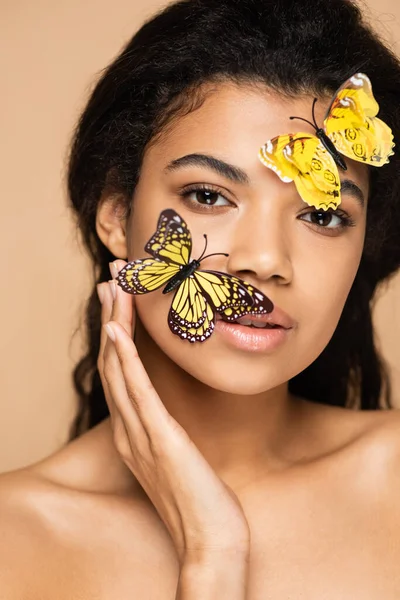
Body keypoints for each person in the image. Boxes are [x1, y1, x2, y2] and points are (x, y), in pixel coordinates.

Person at [1, 0, 400, 597]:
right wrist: (212, 555)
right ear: (116, 213)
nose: (264, 259)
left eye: (322, 212)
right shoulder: (15, 538)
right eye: (209, 196)